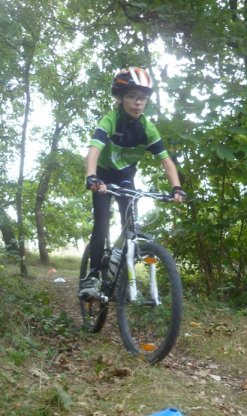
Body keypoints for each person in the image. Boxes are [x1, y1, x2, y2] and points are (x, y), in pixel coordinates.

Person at [79, 66, 185, 297]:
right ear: (120, 97)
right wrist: (91, 176)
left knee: (130, 225)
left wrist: (176, 187)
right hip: (103, 176)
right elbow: (93, 151)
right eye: (132, 97)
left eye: (143, 98)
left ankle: (120, 269)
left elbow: (166, 161)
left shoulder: (147, 128)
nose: (138, 103)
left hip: (126, 177)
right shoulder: (110, 120)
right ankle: (93, 275)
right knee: (102, 222)